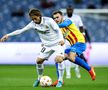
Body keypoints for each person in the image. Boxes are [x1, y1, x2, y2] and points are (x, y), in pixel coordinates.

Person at [0, 8, 65, 87]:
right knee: (38, 61)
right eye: (32, 19)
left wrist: (61, 39)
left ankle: (60, 80)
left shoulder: (49, 21)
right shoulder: (32, 24)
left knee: (59, 59)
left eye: (35, 18)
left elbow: (58, 30)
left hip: (57, 43)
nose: (34, 20)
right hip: (47, 45)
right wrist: (8, 35)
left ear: (39, 16)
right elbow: (21, 30)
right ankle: (39, 78)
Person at [52, 10, 96, 86]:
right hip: (73, 45)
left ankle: (89, 69)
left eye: (57, 17)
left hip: (80, 42)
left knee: (71, 57)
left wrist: (53, 25)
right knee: (58, 59)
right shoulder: (60, 30)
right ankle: (60, 80)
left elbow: (64, 25)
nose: (56, 19)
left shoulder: (67, 20)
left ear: (62, 16)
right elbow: (60, 38)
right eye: (54, 18)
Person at [64, 6, 87, 79]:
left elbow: (81, 27)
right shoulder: (64, 18)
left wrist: (83, 35)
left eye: (71, 9)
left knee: (75, 56)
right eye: (68, 9)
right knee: (67, 55)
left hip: (76, 40)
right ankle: (68, 73)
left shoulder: (77, 17)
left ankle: (77, 69)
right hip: (67, 40)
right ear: (66, 10)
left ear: (73, 10)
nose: (69, 10)